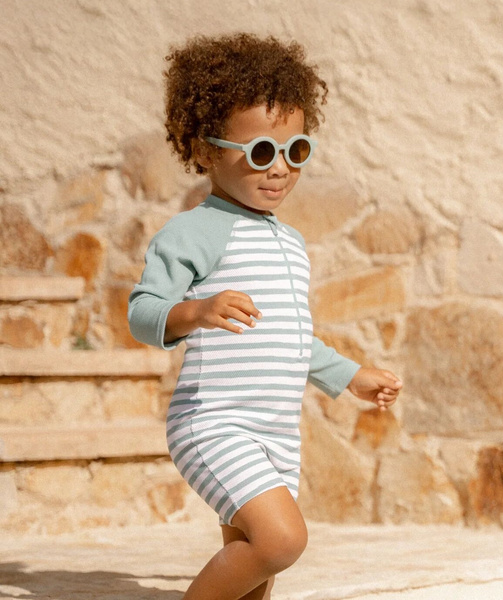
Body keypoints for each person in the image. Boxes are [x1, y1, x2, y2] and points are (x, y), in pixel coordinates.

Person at [128, 32, 402, 600]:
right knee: (280, 541)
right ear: (206, 151)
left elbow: (292, 338)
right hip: (214, 423)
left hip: (275, 429)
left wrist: (350, 375)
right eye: (259, 153)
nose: (278, 169)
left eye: (294, 151)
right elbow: (142, 312)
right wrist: (197, 310)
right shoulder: (194, 231)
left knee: (255, 575)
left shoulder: (291, 243)